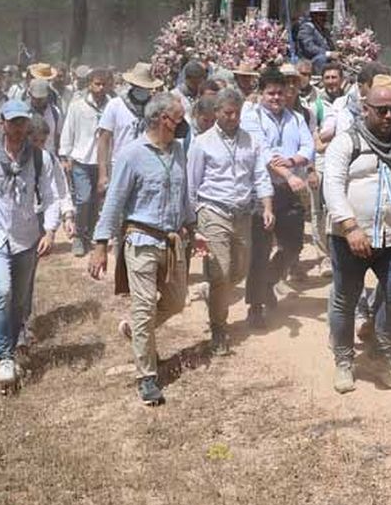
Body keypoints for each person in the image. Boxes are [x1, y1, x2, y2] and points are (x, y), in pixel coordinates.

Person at [0, 99, 65, 392]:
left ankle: (16, 341)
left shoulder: (39, 159)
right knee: (2, 291)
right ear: (2, 123)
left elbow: (51, 195)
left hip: (27, 237)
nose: (18, 129)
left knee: (19, 300)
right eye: (13, 122)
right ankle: (4, 358)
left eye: (22, 123)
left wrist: (50, 230)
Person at [91, 94, 192, 406]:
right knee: (145, 306)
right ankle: (147, 376)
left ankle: (135, 330)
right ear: (163, 119)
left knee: (176, 302)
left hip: (172, 241)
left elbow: (183, 191)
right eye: (178, 118)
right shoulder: (132, 154)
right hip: (141, 241)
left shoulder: (178, 150)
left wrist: (191, 225)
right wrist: (100, 245)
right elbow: (115, 201)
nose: (183, 125)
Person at [324, 84, 391, 394]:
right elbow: (332, 188)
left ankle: (380, 355)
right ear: (366, 109)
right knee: (345, 299)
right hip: (348, 238)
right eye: (382, 110)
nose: (390, 115)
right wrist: (351, 227)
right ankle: (344, 360)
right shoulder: (346, 143)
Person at [187, 87, 274, 355]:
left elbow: (260, 175)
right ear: (216, 113)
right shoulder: (202, 143)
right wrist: (193, 222)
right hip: (213, 211)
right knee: (222, 271)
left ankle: (212, 289)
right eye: (227, 113)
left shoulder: (251, 141)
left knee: (240, 271)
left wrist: (268, 206)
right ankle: (218, 328)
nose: (233, 118)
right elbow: (192, 183)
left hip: (243, 214)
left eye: (236, 113)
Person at [243, 66, 315, 324]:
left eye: (280, 94)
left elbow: (309, 147)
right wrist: (289, 174)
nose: (276, 98)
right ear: (261, 94)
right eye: (271, 93)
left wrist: (293, 159)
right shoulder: (252, 118)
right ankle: (255, 306)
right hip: (263, 192)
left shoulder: (295, 118)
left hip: (289, 192)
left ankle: (269, 281)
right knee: (260, 250)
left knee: (294, 244)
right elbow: (263, 153)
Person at [59, 66, 110, 257]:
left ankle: (90, 233)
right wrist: (65, 155)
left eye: (104, 84)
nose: (100, 88)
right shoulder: (77, 106)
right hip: (81, 159)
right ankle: (79, 236)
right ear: (89, 85)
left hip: (102, 161)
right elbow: (68, 131)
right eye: (97, 84)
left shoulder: (112, 105)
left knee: (97, 199)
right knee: (83, 198)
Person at [98, 63, 160, 198]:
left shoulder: (155, 107)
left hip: (147, 169)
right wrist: (103, 174)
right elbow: (104, 140)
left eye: (145, 87)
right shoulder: (115, 105)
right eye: (139, 86)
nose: (142, 90)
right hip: (120, 167)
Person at [295, 1, 334, 67]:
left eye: (325, 15)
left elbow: (331, 46)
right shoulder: (307, 28)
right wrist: (328, 54)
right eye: (321, 15)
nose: (324, 18)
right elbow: (309, 48)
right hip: (309, 62)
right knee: (322, 59)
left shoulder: (325, 30)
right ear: (313, 16)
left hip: (326, 59)